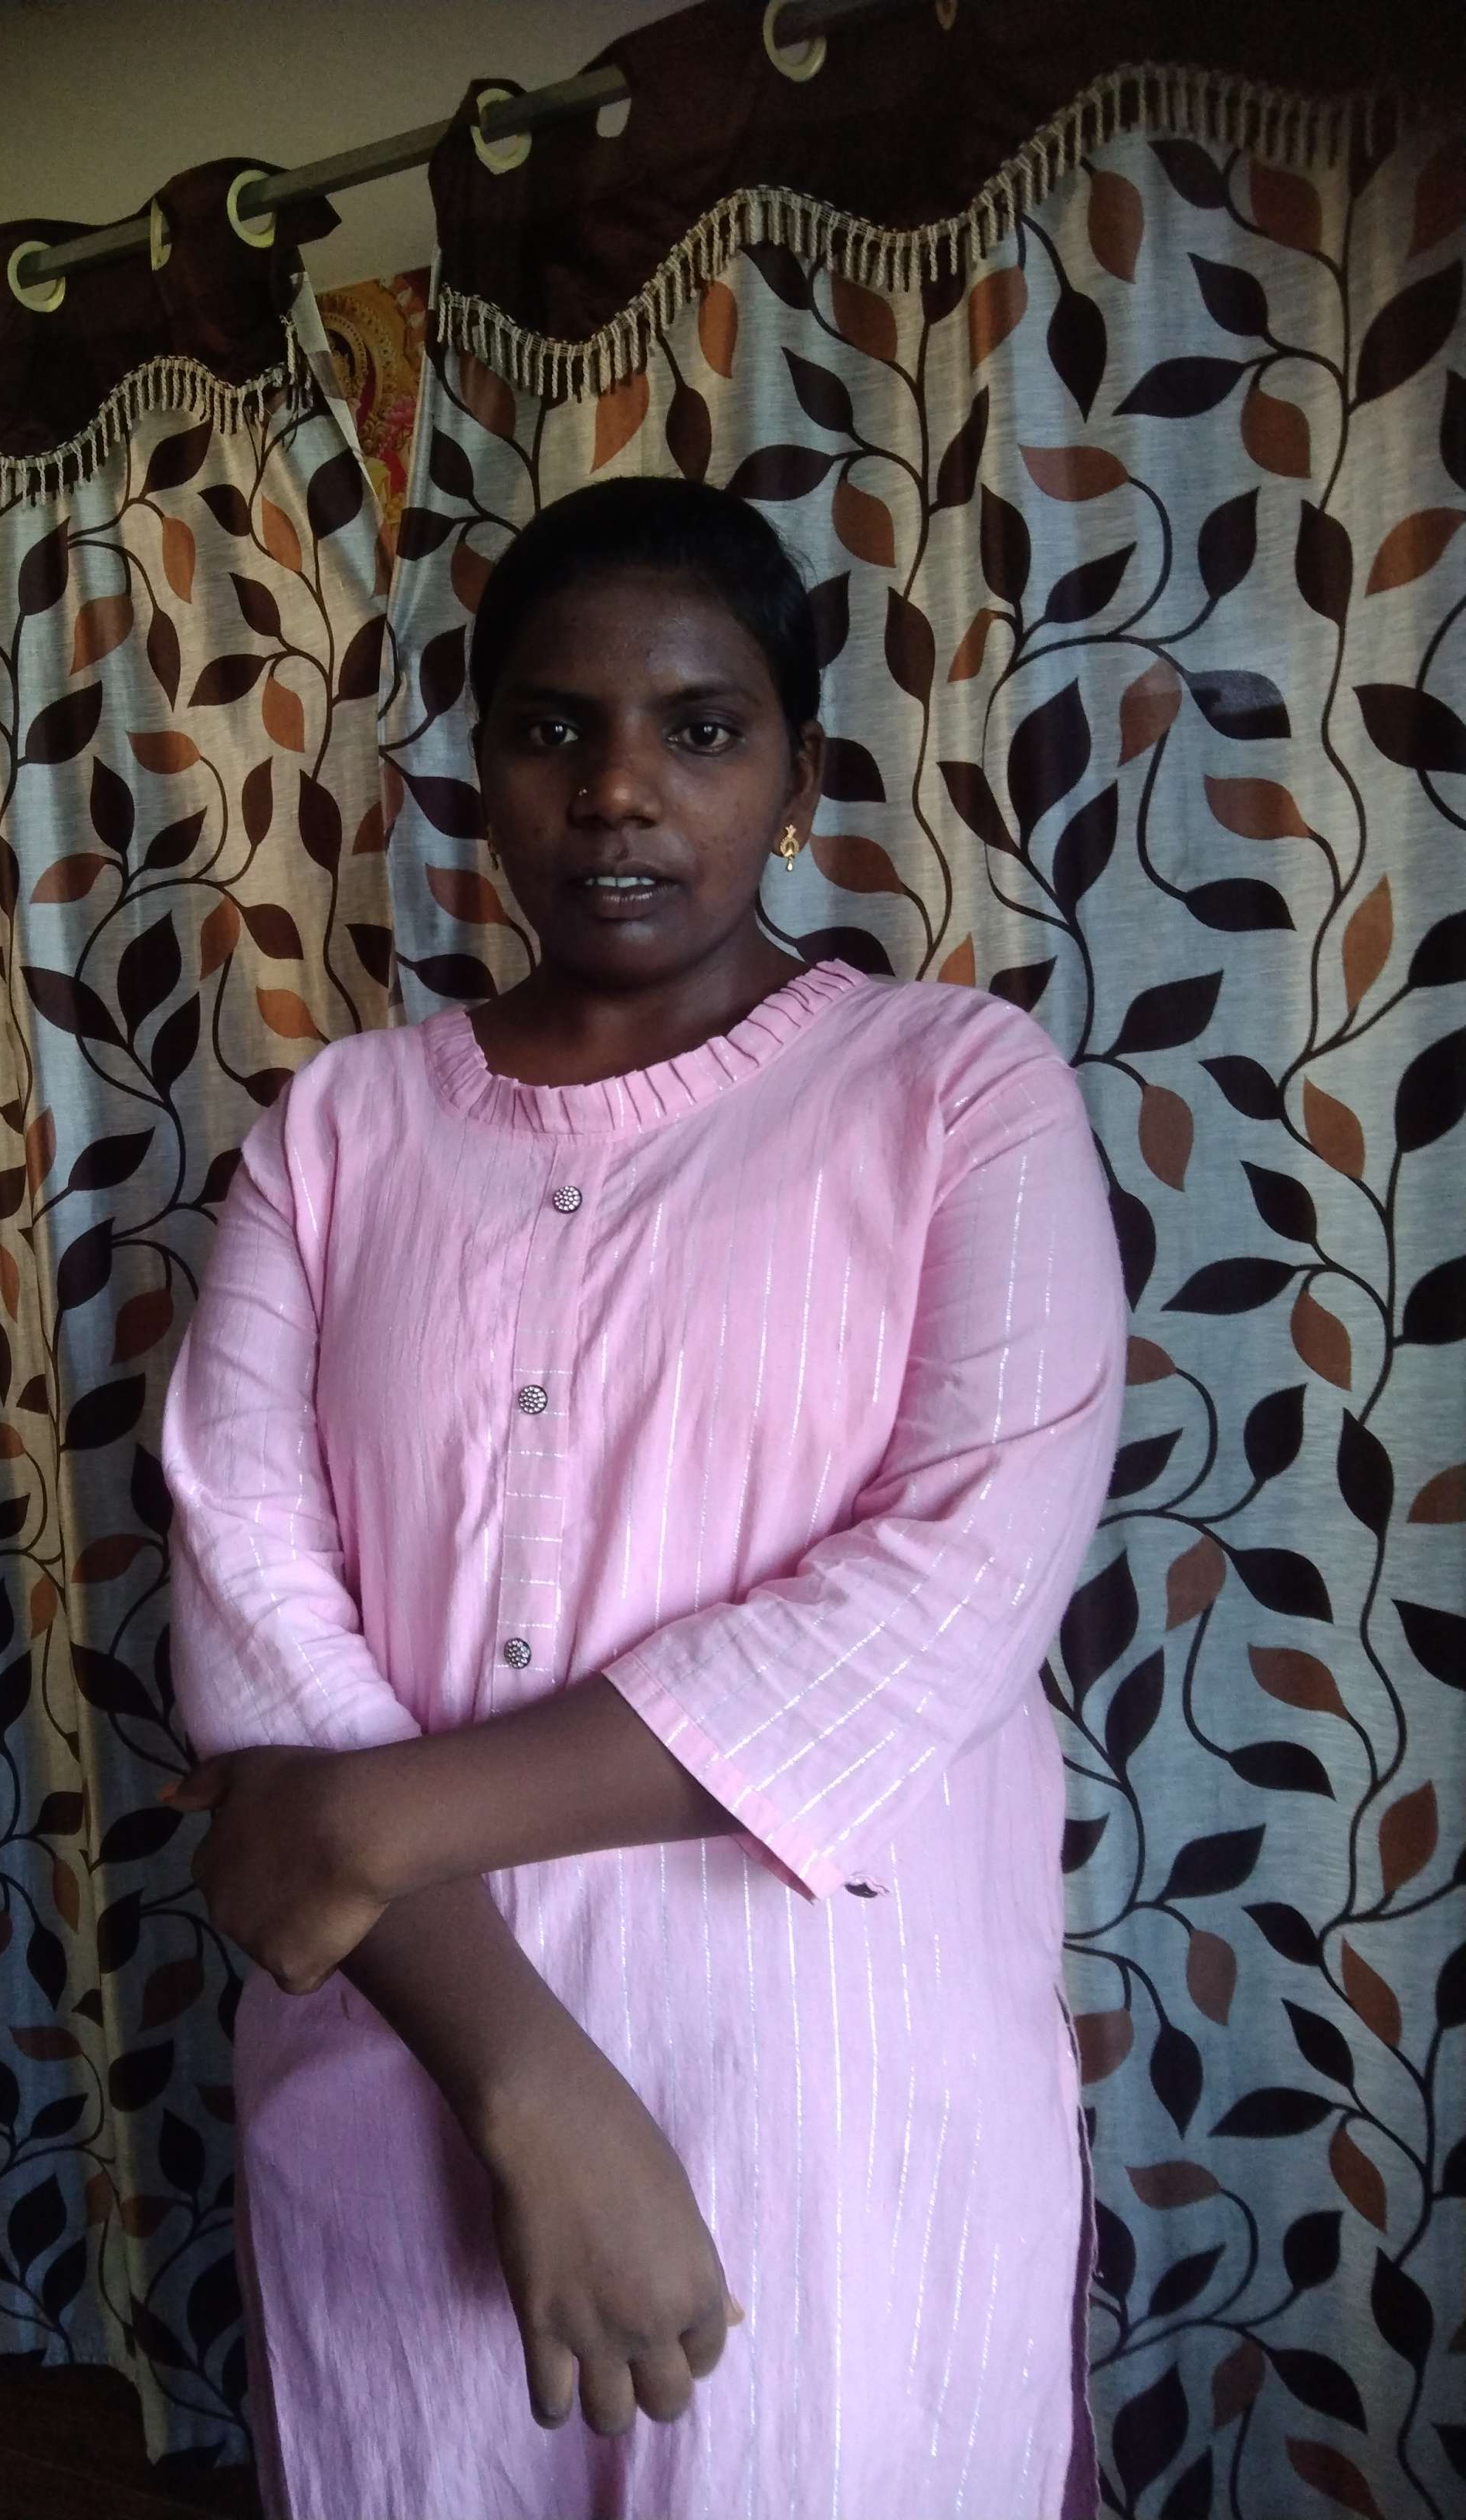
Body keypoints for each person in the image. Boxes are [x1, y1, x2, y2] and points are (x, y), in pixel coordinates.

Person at [159, 477, 1126, 2520]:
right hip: (407, 2066)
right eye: (552, 728)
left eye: (699, 728)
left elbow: (949, 1596)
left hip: (828, 2089)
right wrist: (528, 2087)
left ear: (799, 776)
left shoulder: (955, 1090)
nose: (618, 789)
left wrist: (365, 1824)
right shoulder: (337, 1130)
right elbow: (254, 1591)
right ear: (480, 773)